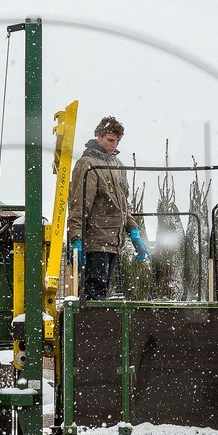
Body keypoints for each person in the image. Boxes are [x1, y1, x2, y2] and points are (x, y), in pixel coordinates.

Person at [67, 115, 148, 299]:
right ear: (99, 136)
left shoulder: (117, 165)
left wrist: (134, 231)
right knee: (95, 289)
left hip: (114, 240)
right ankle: (91, 326)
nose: (114, 145)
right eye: (110, 140)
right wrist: (76, 239)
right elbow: (79, 205)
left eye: (117, 141)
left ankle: (97, 323)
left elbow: (123, 205)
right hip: (97, 240)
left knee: (104, 290)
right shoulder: (87, 165)